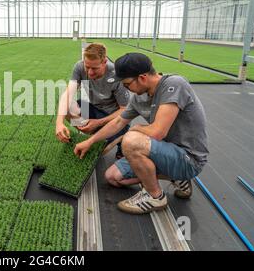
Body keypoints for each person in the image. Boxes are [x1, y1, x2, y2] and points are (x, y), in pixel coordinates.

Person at [74, 52, 209, 214]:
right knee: (113, 177)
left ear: (143, 78)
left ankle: (155, 197)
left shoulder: (174, 85)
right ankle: (175, 176)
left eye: (127, 84)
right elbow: (118, 122)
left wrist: (134, 130)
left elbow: (157, 132)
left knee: (132, 140)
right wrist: (89, 142)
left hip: (188, 158)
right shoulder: (139, 97)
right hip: (163, 151)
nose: (126, 88)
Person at [55, 43, 130, 158]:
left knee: (99, 151)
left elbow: (124, 110)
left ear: (104, 62)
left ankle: (121, 142)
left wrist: (98, 123)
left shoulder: (116, 74)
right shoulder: (79, 67)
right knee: (68, 108)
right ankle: (91, 132)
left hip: (113, 117)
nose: (90, 72)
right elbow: (68, 93)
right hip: (93, 107)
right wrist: (59, 123)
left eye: (94, 68)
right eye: (87, 67)